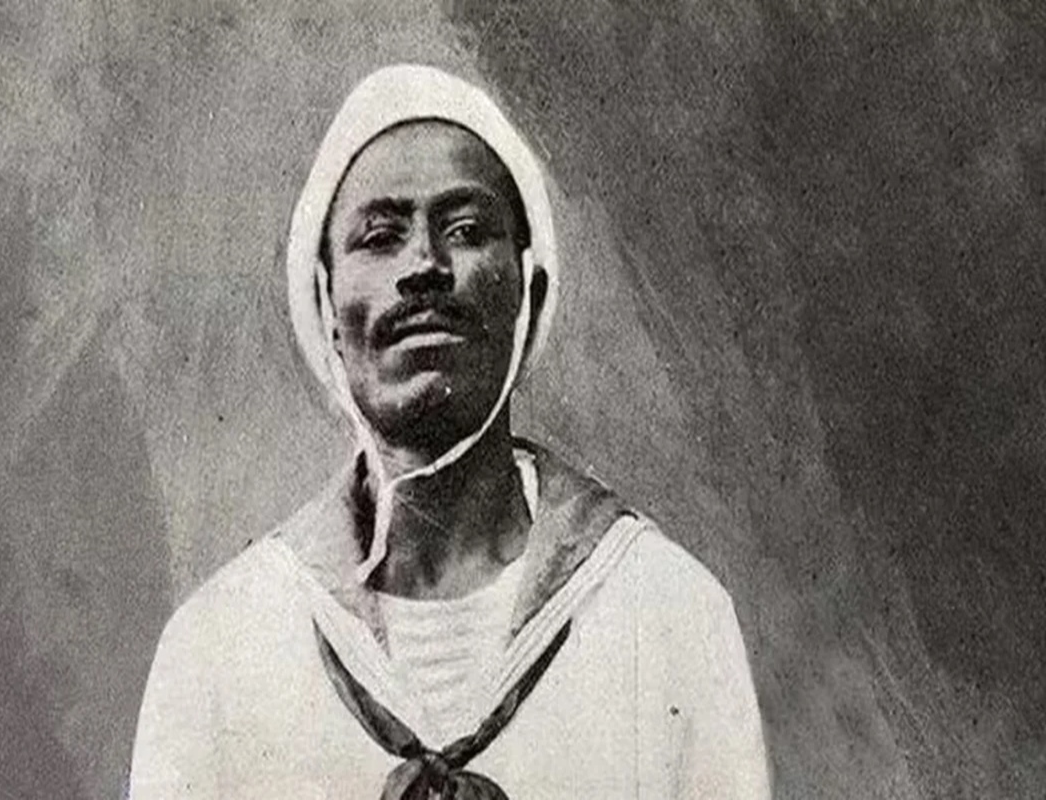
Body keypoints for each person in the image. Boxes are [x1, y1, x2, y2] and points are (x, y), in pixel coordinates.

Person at [130, 64, 770, 799]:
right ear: (326, 305)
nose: (425, 266)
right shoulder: (219, 645)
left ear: (529, 294)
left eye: (465, 230)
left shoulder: (670, 612)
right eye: (380, 236)